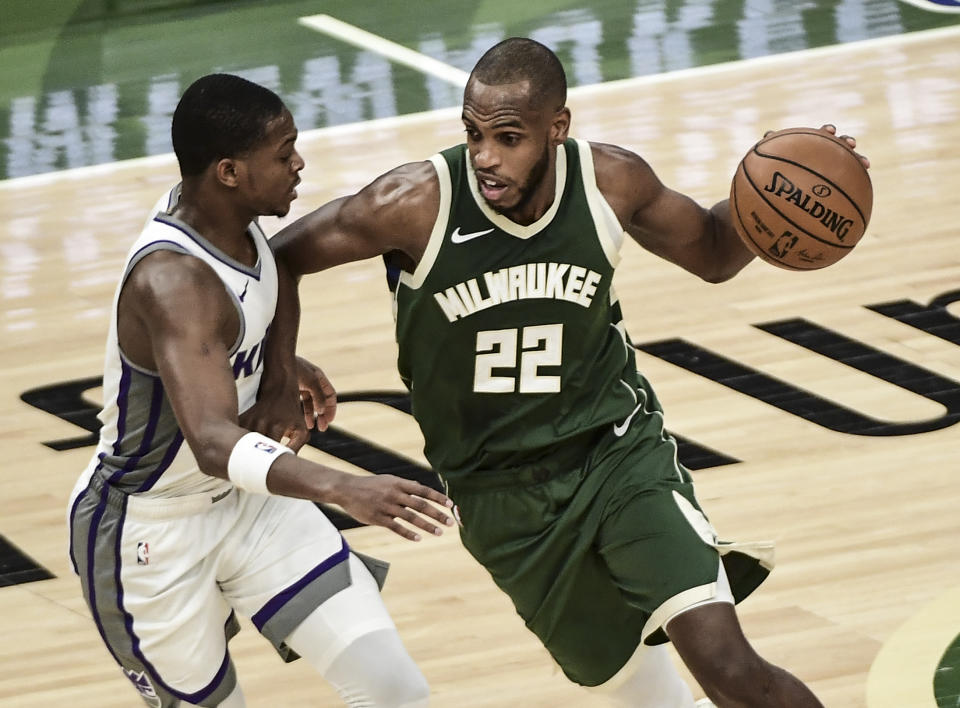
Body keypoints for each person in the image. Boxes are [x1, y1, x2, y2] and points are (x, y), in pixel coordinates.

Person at [263, 39, 871, 707]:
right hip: (498, 495)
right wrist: (278, 363)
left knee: (730, 669)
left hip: (617, 456)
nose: (485, 156)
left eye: (508, 137)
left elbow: (716, 252)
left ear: (558, 128)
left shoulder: (611, 181)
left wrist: (789, 184)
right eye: (473, 133)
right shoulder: (414, 203)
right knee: (648, 699)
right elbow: (275, 260)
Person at [66, 73, 455, 708]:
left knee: (393, 688)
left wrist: (279, 368)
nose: (299, 163)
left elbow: (277, 274)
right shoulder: (173, 280)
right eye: (283, 153)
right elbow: (216, 442)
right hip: (149, 530)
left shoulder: (240, 227)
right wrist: (343, 486)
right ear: (228, 171)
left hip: (251, 503)